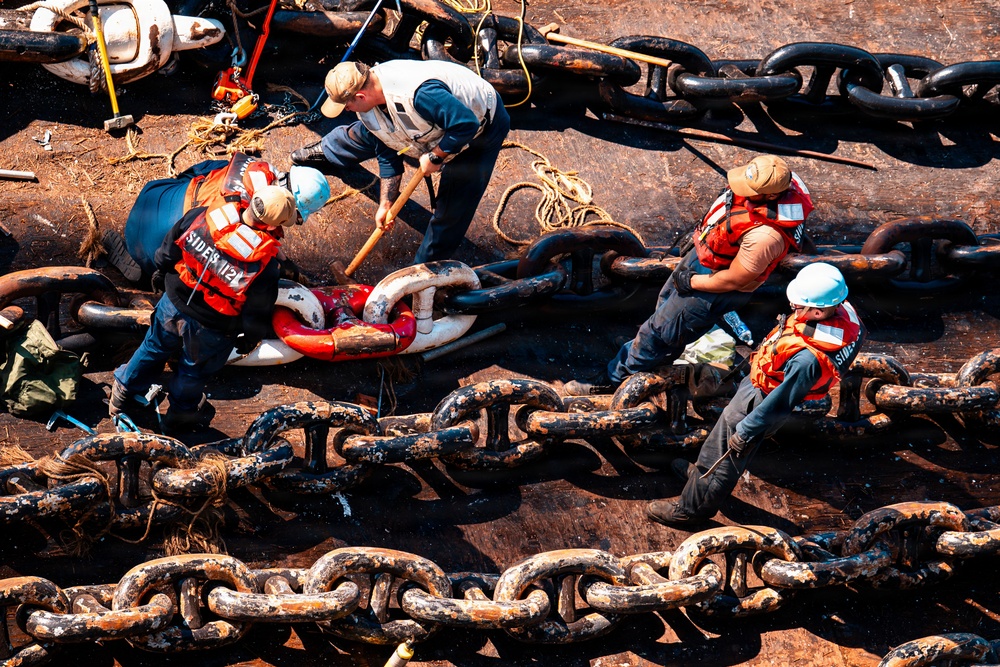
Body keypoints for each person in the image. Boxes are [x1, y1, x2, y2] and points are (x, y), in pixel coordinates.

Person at [564, 155, 814, 396]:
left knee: (662, 333)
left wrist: (693, 281)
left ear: (770, 195)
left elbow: (736, 279)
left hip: (716, 283)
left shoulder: (765, 237)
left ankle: (616, 378)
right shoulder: (774, 178)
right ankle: (645, 348)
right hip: (708, 256)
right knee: (664, 310)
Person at [647, 263, 865, 527]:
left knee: (724, 452)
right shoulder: (844, 312)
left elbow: (780, 402)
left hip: (762, 400)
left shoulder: (808, 360)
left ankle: (691, 510)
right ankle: (700, 479)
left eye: (798, 306)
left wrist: (748, 429)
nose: (793, 310)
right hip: (763, 381)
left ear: (818, 311)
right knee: (719, 441)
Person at [109, 186, 299, 433]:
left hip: (172, 304)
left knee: (152, 348)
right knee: (192, 370)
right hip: (211, 327)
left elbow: (168, 248)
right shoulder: (264, 266)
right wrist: (250, 338)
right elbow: (256, 312)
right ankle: (180, 415)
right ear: (272, 227)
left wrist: (162, 270)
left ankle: (121, 393)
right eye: (281, 227)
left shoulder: (203, 216)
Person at [290, 59, 510, 264]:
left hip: (478, 127)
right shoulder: (370, 99)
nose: (345, 110)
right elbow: (387, 149)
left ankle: (422, 271)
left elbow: (465, 123)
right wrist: (386, 202)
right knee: (366, 133)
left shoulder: (419, 94)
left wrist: (436, 155)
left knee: (454, 206)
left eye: (346, 105)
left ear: (360, 97)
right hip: (425, 124)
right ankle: (328, 151)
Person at [114, 153, 330, 279]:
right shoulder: (249, 222)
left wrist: (287, 262)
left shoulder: (246, 165)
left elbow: (194, 171)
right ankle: (152, 276)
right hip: (157, 248)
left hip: (153, 198)